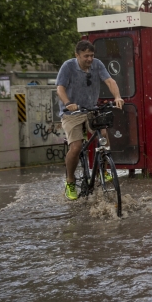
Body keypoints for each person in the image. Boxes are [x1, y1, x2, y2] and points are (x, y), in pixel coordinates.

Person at [56, 40, 124, 200]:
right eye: (86, 56)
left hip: (91, 109)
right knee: (76, 147)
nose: (89, 59)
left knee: (104, 135)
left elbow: (110, 81)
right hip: (71, 112)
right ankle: (70, 181)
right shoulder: (68, 66)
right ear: (77, 55)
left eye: (91, 55)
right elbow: (60, 88)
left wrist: (117, 97)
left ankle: (104, 169)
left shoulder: (97, 64)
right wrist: (68, 103)